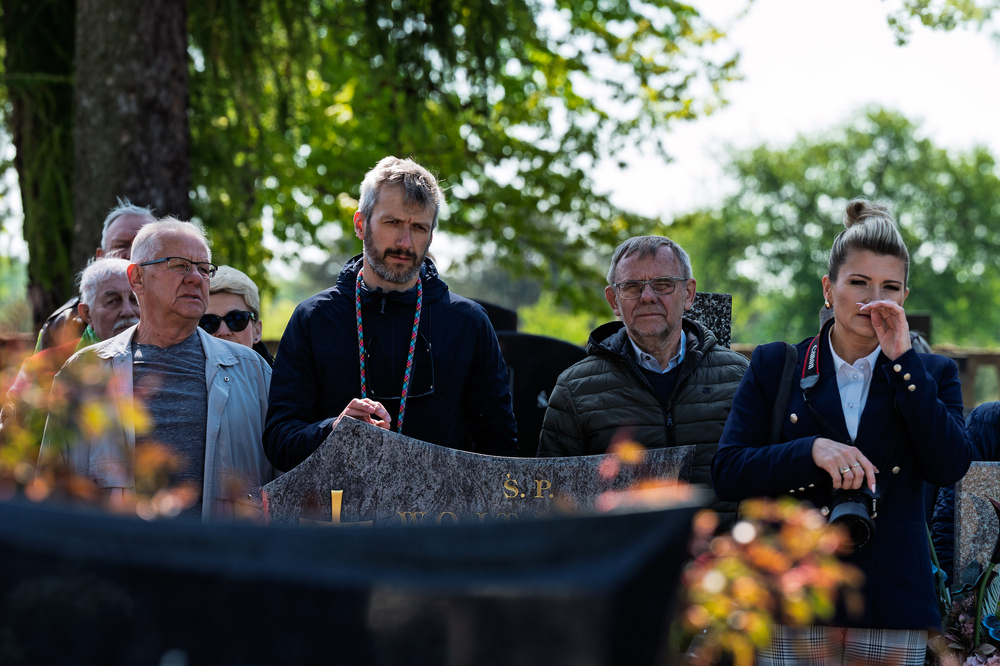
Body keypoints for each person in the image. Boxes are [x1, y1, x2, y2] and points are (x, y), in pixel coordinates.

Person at [711, 200, 972, 664]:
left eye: (889, 287)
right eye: (858, 283)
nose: (873, 300)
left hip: (891, 603)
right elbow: (728, 472)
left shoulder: (931, 374)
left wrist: (904, 363)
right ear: (829, 289)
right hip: (793, 600)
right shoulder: (776, 364)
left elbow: (950, 464)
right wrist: (809, 450)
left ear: (904, 298)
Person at [263, 156, 517, 471]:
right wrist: (334, 430)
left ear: (431, 236)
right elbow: (279, 441)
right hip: (339, 502)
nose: (404, 242)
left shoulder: (469, 323)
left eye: (419, 227)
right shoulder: (314, 319)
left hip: (442, 504)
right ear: (361, 225)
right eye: (393, 222)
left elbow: (500, 447)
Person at [38, 219, 274, 521]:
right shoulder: (85, 372)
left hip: (221, 551)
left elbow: (281, 489)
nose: (195, 278)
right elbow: (51, 491)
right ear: (137, 278)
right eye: (179, 265)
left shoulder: (253, 372)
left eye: (204, 269)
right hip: (115, 550)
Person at [537, 236, 749, 521]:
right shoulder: (575, 390)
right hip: (624, 549)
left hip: (720, 547)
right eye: (632, 286)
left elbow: (763, 487)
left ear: (688, 294)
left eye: (663, 284)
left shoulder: (740, 377)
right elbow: (553, 505)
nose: (647, 296)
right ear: (614, 300)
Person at [2, 258, 140, 448]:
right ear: (86, 314)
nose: (127, 311)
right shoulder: (42, 367)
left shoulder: (162, 360)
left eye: (135, 300)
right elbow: (13, 441)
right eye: (112, 301)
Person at [35, 199, 155, 352]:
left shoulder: (183, 313)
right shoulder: (62, 324)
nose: (133, 255)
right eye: (121, 246)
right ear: (101, 257)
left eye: (143, 247)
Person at [200, 265, 274, 366]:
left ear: (257, 330)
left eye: (236, 319)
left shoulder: (280, 375)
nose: (223, 332)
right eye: (208, 322)